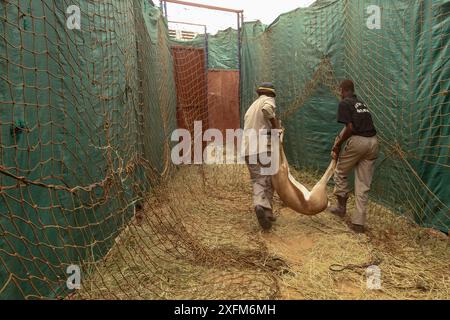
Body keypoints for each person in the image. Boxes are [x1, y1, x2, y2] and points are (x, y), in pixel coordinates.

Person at [329, 80, 379, 233]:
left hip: (359, 142)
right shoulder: (360, 103)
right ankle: (358, 223)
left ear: (342, 90)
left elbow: (350, 128)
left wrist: (338, 145)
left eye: (340, 91)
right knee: (363, 184)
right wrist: (338, 140)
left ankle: (341, 208)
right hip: (374, 142)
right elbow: (349, 127)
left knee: (340, 171)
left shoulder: (345, 103)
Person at [243, 82, 281, 231]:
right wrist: (275, 126)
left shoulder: (251, 107)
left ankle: (267, 212)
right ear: (271, 93)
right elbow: (267, 110)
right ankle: (260, 204)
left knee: (260, 178)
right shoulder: (268, 100)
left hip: (247, 148)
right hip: (261, 147)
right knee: (267, 177)